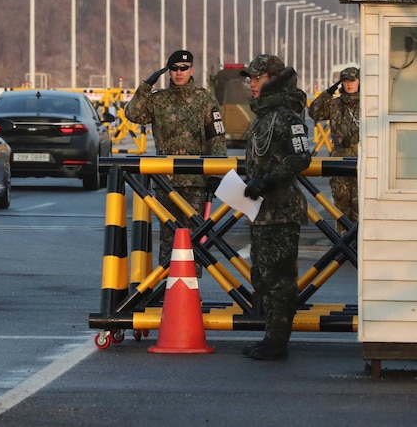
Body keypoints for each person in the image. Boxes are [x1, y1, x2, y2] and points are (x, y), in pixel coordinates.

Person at [125, 50, 227, 276]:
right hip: (166, 181)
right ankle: (165, 288)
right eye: (174, 69)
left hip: (195, 181)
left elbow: (216, 138)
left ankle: (190, 289)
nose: (179, 73)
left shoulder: (204, 99)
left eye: (184, 68)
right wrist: (145, 86)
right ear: (168, 71)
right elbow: (132, 114)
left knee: (194, 236)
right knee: (168, 236)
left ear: (192, 69)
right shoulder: (158, 99)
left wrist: (215, 175)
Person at [240, 54, 312, 361]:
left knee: (280, 279)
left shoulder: (285, 115)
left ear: (273, 79)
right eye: (251, 80)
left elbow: (300, 158)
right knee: (263, 277)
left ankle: (277, 342)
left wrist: (267, 180)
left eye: (257, 79)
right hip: (261, 211)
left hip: (281, 211)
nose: (252, 85)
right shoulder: (263, 116)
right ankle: (270, 336)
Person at [307, 67, 360, 230]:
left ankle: (359, 247)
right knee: (341, 207)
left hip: (360, 160)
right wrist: (328, 92)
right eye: (345, 81)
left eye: (352, 81)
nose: (349, 84)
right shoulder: (336, 104)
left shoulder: (367, 104)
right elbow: (314, 112)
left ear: (359, 82)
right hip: (339, 161)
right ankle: (343, 245)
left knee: (359, 205)